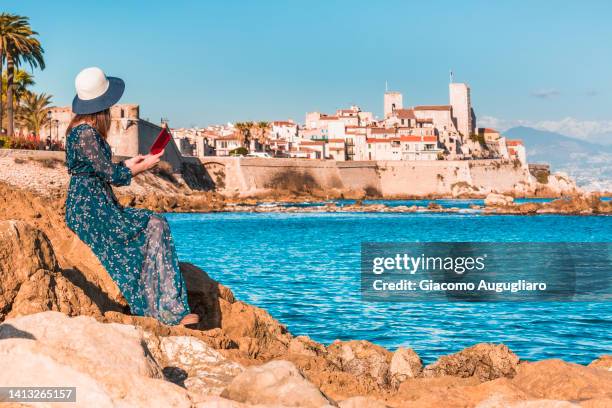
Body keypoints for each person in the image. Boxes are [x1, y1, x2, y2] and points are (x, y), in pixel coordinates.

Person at [64, 67, 199, 326]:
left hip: (90, 205)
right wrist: (142, 166)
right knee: (155, 224)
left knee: (153, 224)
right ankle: (168, 309)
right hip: (93, 209)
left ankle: (164, 309)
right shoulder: (87, 133)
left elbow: (101, 170)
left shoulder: (79, 130)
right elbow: (111, 176)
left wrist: (130, 163)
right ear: (103, 105)